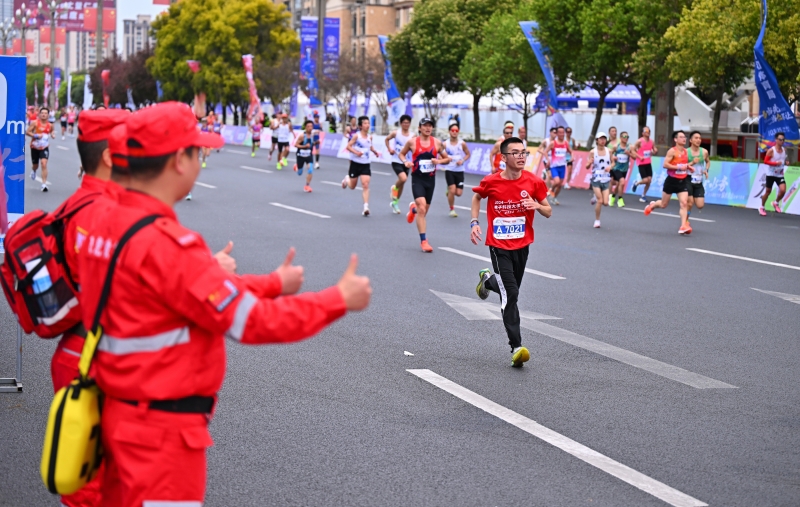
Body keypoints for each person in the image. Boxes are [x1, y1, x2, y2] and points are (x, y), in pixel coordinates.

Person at [77, 101, 372, 507]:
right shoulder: (166, 244)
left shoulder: (104, 224)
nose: (202, 161)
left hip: (116, 417)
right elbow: (251, 323)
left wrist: (270, 282)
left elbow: (182, 295)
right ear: (180, 159)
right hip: (161, 437)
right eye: (199, 152)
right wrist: (336, 299)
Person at [471, 136, 551, 367]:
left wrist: (536, 205)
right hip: (498, 246)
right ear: (504, 157)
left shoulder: (534, 182)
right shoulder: (491, 181)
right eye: (515, 153)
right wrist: (474, 222)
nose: (521, 156)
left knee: (510, 288)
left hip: (522, 246)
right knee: (512, 294)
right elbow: (477, 197)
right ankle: (516, 346)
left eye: (524, 152)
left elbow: (548, 211)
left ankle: (487, 282)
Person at [399, 118, 450, 252]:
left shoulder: (437, 143)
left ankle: (413, 210)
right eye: (425, 125)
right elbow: (401, 154)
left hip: (430, 180)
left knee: (423, 211)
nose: (428, 128)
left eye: (430, 126)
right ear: (420, 128)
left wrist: (438, 161)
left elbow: (447, 159)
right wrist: (405, 162)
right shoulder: (412, 142)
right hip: (417, 179)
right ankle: (424, 241)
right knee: (422, 207)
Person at [644, 130, 693, 235]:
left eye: (685, 137)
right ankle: (652, 205)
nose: (684, 139)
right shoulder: (672, 151)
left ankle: (683, 226)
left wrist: (688, 167)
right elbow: (665, 165)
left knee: (684, 203)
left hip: (682, 181)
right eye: (681, 137)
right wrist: (679, 167)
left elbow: (683, 164)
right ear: (675, 139)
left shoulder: (686, 152)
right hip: (671, 181)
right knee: (663, 204)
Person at [343, 115, 381, 216]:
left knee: (365, 184)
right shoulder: (356, 136)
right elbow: (348, 146)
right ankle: (347, 179)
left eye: (368, 123)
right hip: (355, 163)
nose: (367, 125)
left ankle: (366, 207)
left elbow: (369, 145)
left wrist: (375, 151)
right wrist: (356, 152)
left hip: (365, 164)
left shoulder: (370, 137)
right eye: (365, 123)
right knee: (352, 186)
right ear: (360, 126)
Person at [386, 114, 413, 214]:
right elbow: (387, 139)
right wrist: (390, 149)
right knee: (403, 178)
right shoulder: (395, 133)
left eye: (408, 123)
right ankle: (394, 188)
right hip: (396, 160)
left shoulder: (413, 136)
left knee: (403, 183)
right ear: (401, 123)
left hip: (407, 162)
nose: (406, 124)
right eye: (404, 123)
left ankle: (395, 203)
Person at [442, 124, 471, 217]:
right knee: (452, 190)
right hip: (449, 170)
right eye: (452, 130)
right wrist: (446, 160)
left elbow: (467, 154)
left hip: (459, 170)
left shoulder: (462, 143)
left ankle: (449, 189)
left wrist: (462, 160)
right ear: (449, 131)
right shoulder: (445, 144)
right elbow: (439, 156)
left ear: (458, 132)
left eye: (456, 130)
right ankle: (452, 209)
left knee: (458, 193)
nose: (454, 132)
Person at [586, 132, 612, 228]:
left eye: (604, 139)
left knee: (605, 203)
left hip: (606, 179)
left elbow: (613, 163)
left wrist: (610, 167)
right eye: (600, 139)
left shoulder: (609, 151)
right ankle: (597, 221)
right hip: (596, 179)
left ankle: (595, 197)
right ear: (597, 140)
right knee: (600, 201)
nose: (602, 141)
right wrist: (589, 162)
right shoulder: (593, 152)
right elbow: (587, 166)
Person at [26, 107, 55, 192]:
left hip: (44, 147)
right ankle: (34, 170)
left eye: (46, 113)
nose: (44, 114)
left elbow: (51, 131)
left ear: (48, 115)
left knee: (44, 163)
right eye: (42, 113)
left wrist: (52, 135)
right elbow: (27, 132)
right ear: (39, 114)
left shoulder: (50, 125)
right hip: (35, 147)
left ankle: (44, 184)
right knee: (36, 165)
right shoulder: (35, 123)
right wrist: (35, 136)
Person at [759, 132, 787, 216]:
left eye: (783, 139)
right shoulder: (771, 150)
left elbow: (783, 159)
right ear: (776, 140)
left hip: (780, 174)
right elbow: (765, 161)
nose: (782, 141)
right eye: (780, 139)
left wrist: (786, 162)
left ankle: (776, 202)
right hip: (771, 174)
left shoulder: (784, 150)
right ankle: (761, 207)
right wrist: (775, 163)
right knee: (768, 191)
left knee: (783, 190)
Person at [631, 126, 658, 203]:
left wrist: (655, 151)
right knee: (645, 180)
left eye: (648, 131)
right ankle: (636, 183)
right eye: (645, 131)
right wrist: (639, 156)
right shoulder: (639, 141)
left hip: (648, 162)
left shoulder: (652, 141)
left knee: (649, 181)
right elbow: (632, 150)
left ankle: (643, 195)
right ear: (642, 133)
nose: (647, 133)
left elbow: (654, 149)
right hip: (641, 163)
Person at [686, 131, 709, 217]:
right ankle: (685, 221)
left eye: (700, 138)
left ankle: (686, 206)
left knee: (700, 205)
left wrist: (706, 170)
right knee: (690, 202)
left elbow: (708, 162)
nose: (698, 140)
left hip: (698, 182)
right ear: (691, 140)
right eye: (696, 138)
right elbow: (682, 166)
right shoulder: (685, 152)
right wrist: (692, 162)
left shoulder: (704, 152)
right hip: (688, 180)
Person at [547, 126, 571, 205]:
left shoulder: (566, 143)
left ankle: (554, 197)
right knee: (556, 182)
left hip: (562, 167)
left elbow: (571, 152)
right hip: (554, 166)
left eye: (562, 132)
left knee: (560, 185)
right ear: (557, 133)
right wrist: (548, 159)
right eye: (559, 132)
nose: (561, 134)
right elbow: (545, 152)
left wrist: (573, 157)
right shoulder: (553, 143)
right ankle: (551, 189)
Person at [609, 131, 631, 208]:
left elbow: (634, 156)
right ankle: (620, 199)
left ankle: (613, 196)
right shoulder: (616, 146)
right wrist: (613, 158)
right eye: (624, 137)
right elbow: (609, 153)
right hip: (616, 168)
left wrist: (629, 154)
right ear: (621, 138)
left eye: (627, 137)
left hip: (624, 169)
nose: (626, 138)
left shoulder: (629, 147)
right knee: (622, 182)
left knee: (619, 184)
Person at [294, 120, 315, 192]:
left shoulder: (312, 135)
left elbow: (312, 144)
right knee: (299, 173)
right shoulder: (302, 136)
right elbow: (296, 145)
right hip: (301, 155)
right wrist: (304, 146)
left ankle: (307, 186)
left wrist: (316, 143)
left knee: (310, 169)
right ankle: (296, 166)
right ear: (305, 127)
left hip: (309, 155)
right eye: (308, 126)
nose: (310, 128)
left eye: (311, 126)